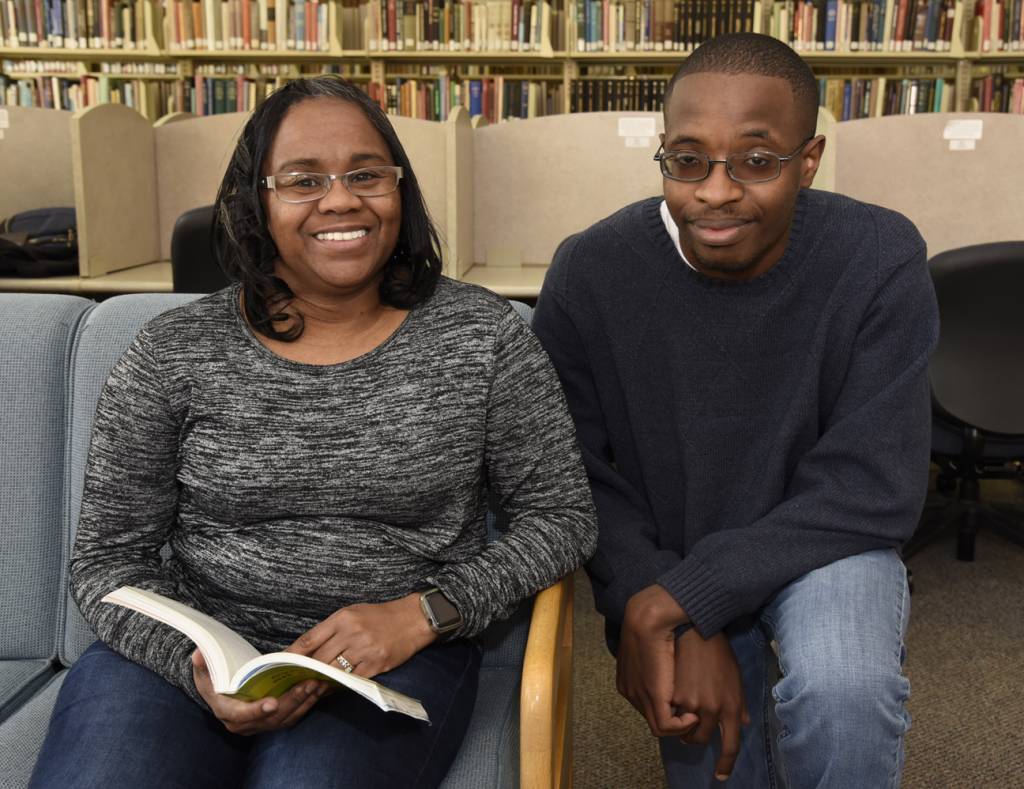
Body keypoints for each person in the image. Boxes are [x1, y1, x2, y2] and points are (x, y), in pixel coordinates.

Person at [30, 76, 597, 789]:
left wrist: (425, 614)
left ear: (400, 190)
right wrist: (193, 667)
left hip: (397, 653)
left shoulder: (483, 338)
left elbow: (563, 517)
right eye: (303, 180)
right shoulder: (172, 351)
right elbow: (109, 559)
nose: (341, 200)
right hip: (195, 649)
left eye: (366, 174)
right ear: (256, 203)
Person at [532, 33, 938, 789]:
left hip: (824, 542)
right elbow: (575, 474)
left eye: (757, 161)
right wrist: (659, 596)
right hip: (671, 554)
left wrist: (681, 600)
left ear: (807, 160)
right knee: (719, 760)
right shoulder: (591, 269)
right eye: (688, 160)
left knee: (845, 692)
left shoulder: (879, 256)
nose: (715, 191)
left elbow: (872, 484)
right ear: (663, 153)